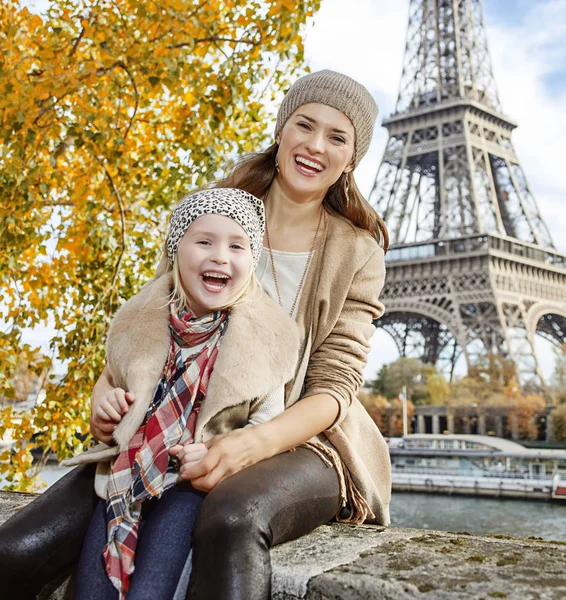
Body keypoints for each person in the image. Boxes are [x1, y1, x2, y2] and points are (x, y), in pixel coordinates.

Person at [0, 69, 392, 600]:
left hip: (302, 435)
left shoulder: (357, 251)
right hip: (171, 423)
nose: (315, 146)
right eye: (305, 125)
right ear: (281, 130)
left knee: (232, 517)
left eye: (337, 137)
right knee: (15, 549)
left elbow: (334, 386)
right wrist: (104, 391)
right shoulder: (217, 209)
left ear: (352, 158)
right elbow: (151, 318)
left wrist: (250, 444)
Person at [63, 188, 300, 600]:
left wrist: (219, 449)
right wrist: (105, 408)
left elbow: (267, 426)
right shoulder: (139, 323)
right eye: (204, 241)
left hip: (193, 491)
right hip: (125, 479)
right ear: (176, 250)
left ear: (252, 259)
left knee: (151, 591)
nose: (220, 256)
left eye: (237, 245)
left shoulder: (266, 339)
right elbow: (114, 384)